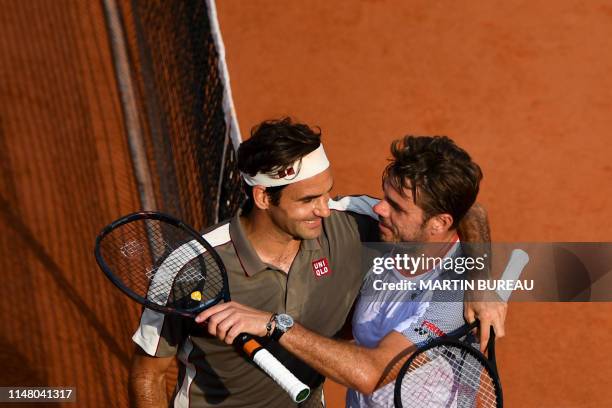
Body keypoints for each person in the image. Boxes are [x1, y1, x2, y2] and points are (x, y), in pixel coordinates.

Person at [129, 118, 501, 407]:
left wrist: (482, 276)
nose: (326, 208)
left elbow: (465, 210)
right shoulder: (190, 267)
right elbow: (149, 375)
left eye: (328, 193)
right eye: (309, 199)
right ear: (263, 198)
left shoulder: (352, 228)